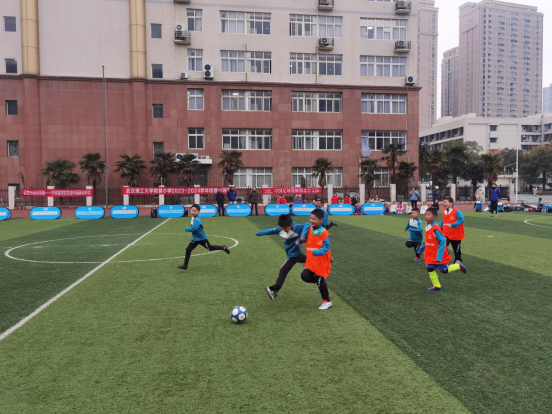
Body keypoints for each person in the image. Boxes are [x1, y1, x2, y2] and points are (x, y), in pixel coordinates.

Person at [257, 214, 309, 300]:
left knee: (283, 270)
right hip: (295, 255)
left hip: (294, 256)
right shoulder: (281, 229)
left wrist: (302, 235)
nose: (283, 230)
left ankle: (274, 290)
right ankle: (275, 291)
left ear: (291, 225)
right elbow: (270, 231)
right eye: (282, 228)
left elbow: (308, 224)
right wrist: (259, 233)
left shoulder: (297, 228)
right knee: (311, 260)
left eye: (285, 228)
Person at [417, 208, 467, 292]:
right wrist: (420, 250)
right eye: (426, 214)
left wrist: (439, 256)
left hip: (437, 254)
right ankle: (437, 286)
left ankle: (458, 265)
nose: (426, 216)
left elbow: (443, 241)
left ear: (434, 217)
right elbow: (427, 240)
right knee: (430, 268)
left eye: (429, 215)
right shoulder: (426, 226)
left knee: (445, 270)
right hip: (429, 254)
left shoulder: (435, 228)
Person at [296, 208, 333, 310]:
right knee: (305, 276)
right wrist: (299, 241)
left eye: (314, 219)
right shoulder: (309, 229)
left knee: (320, 281)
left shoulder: (325, 233)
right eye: (311, 218)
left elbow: (326, 247)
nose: (311, 220)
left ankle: (327, 302)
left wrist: (317, 252)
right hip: (311, 261)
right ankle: (321, 282)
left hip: (321, 261)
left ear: (321, 220)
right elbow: (306, 239)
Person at [178, 204, 230, 270]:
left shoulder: (196, 219)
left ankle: (224, 248)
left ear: (198, 212)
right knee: (188, 249)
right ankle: (185, 265)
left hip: (201, 238)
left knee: (210, 248)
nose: (193, 212)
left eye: (195, 211)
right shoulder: (193, 218)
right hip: (195, 239)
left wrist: (187, 229)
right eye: (192, 210)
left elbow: (195, 229)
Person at [440, 197, 465, 263]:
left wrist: (453, 225)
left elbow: (461, 219)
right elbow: (442, 221)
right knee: (442, 245)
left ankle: (458, 263)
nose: (444, 204)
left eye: (446, 202)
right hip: (446, 234)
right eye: (443, 202)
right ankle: (445, 258)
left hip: (456, 235)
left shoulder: (456, 211)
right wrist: (438, 230)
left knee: (457, 251)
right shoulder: (444, 211)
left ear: (451, 203)